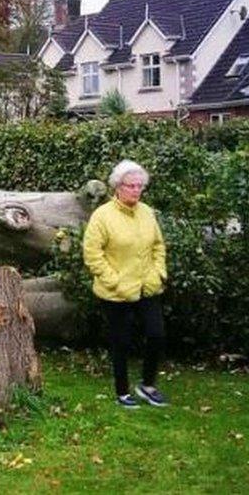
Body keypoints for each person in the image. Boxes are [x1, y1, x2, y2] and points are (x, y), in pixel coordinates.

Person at [82, 160, 169, 408]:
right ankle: (122, 392)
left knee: (156, 335)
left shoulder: (147, 212)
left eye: (140, 186)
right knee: (121, 342)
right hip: (116, 292)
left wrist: (158, 272)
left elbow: (158, 246)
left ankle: (147, 385)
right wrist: (114, 281)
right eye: (131, 185)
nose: (136, 190)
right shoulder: (102, 216)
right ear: (117, 187)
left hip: (147, 286)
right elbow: (92, 254)